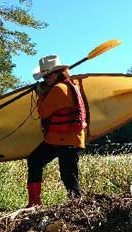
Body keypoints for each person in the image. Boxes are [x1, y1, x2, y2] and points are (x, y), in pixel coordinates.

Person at [26, 54, 89, 207]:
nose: (46, 79)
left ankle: (78, 205)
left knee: (68, 175)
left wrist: (41, 95)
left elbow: (43, 112)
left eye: (48, 75)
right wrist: (46, 90)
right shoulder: (69, 85)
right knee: (35, 160)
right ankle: (34, 202)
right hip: (61, 138)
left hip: (65, 139)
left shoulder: (58, 89)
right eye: (44, 76)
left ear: (58, 73)